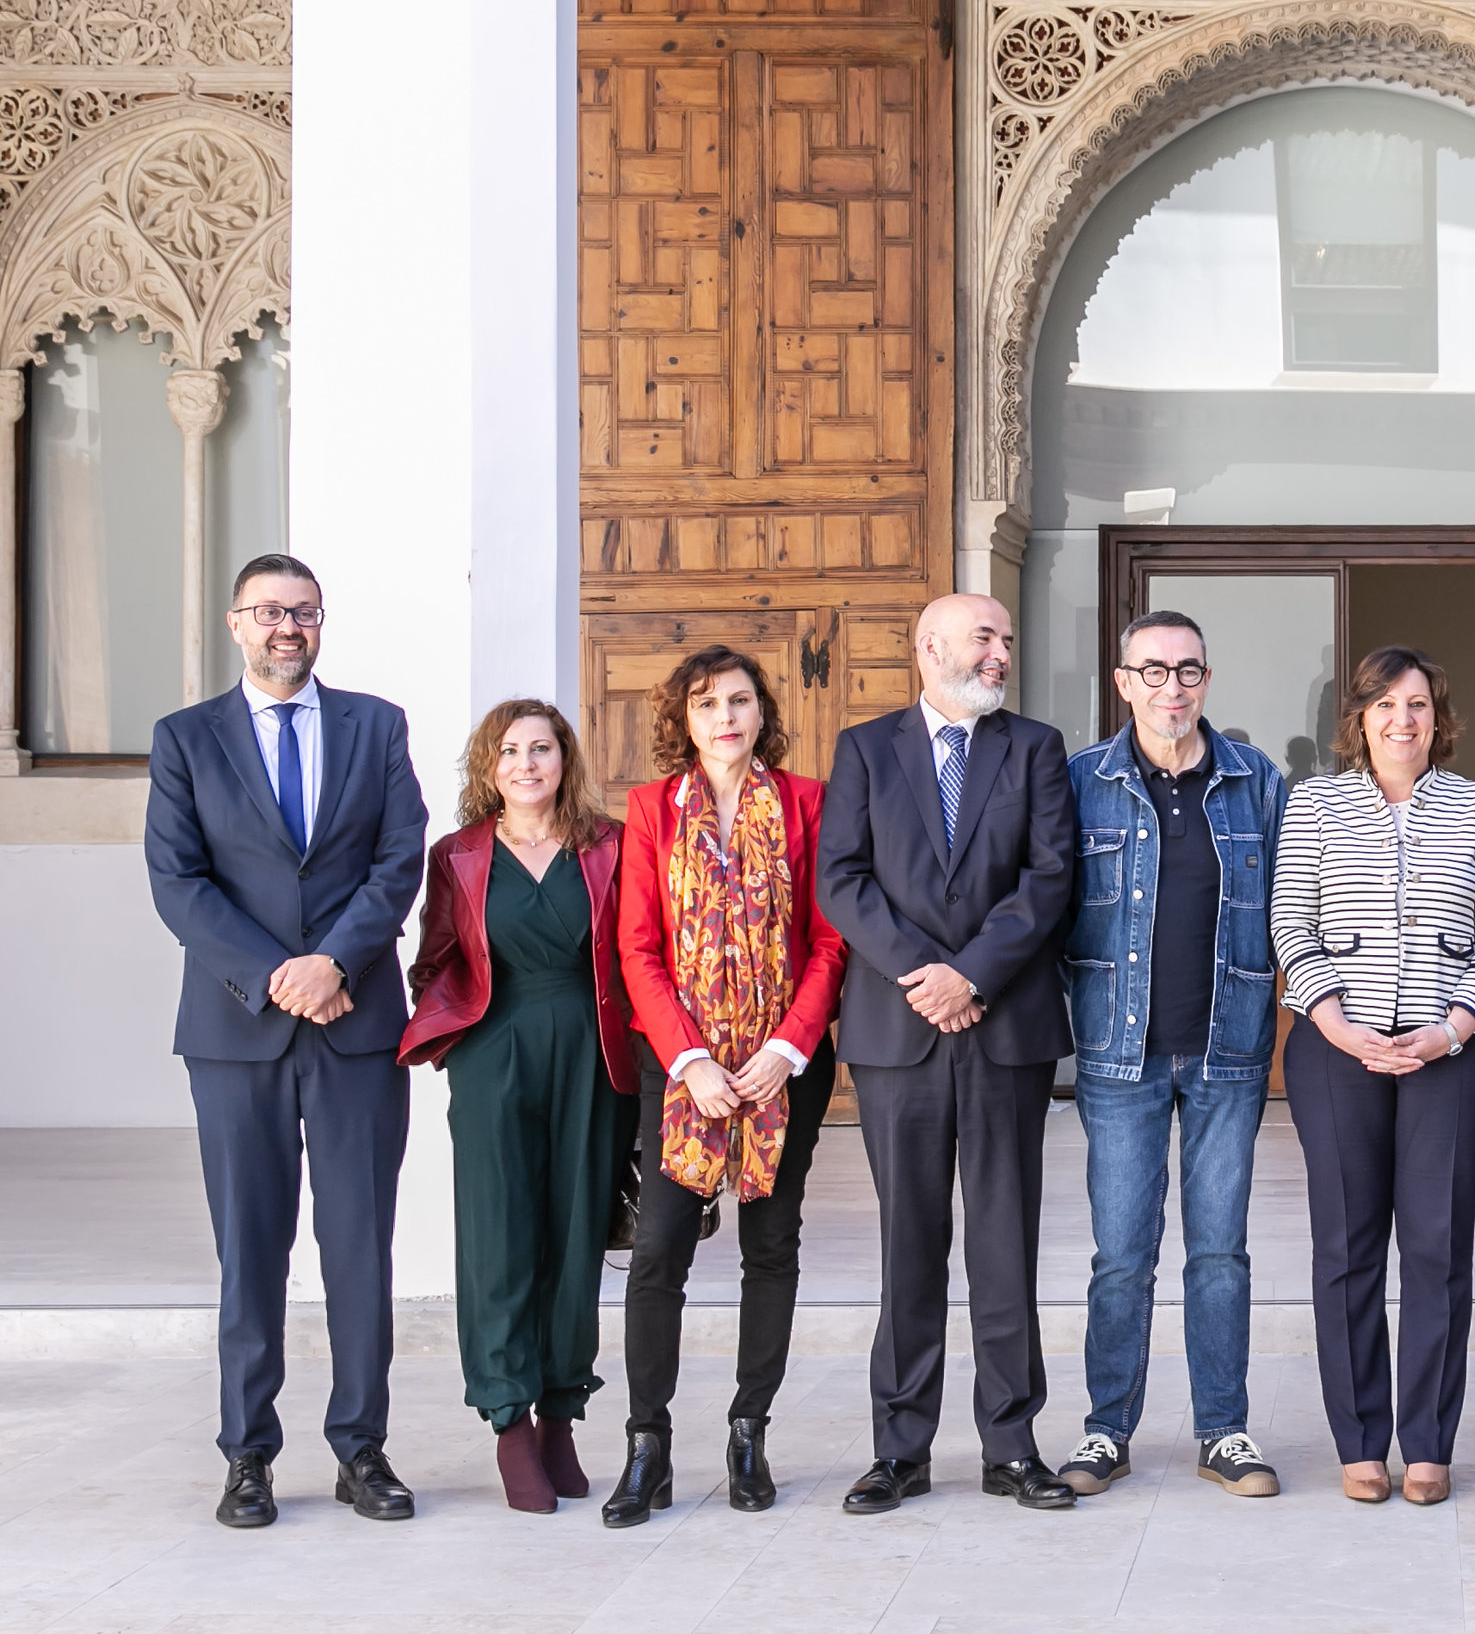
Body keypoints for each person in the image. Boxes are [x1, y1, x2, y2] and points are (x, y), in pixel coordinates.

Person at [145, 553, 428, 1530]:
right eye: (268, 611)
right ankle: (247, 1455)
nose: (286, 627)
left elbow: (399, 859)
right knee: (249, 1250)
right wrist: (280, 974)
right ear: (236, 623)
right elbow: (178, 881)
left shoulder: (376, 726)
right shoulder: (185, 738)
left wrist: (335, 963)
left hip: (356, 1027)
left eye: (302, 611)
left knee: (359, 1247)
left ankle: (362, 1448)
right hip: (236, 1033)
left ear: (320, 623)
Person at [820, 594, 1081, 1515]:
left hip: (1005, 1030)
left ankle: (1012, 1447)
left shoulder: (1035, 748)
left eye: (1007, 637)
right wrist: (925, 976)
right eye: (985, 637)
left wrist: (971, 976)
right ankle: (900, 1450)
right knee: (909, 1243)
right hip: (898, 1034)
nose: (1001, 651)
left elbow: (1050, 877)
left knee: (1005, 1243)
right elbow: (841, 879)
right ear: (930, 647)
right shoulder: (864, 749)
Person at [1273, 645, 1475, 1507]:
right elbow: (1290, 923)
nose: (1402, 720)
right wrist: (1338, 1026)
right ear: (1359, 719)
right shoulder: (1313, 803)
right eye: (1384, 705)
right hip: (1334, 1052)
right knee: (1345, 1249)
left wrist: (1452, 1029)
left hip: (1449, 1055)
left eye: (1417, 704)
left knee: (1437, 1247)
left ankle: (1427, 1443)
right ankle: (1359, 1441)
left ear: (1438, 718)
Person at [609, 646, 848, 1527]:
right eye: (707, 704)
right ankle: (648, 1445)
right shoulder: (649, 811)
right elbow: (637, 948)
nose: (725, 718)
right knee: (659, 1251)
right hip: (683, 1071)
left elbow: (830, 940)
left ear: (762, 712)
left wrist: (787, 1047)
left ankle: (750, 1433)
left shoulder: (807, 802)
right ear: (683, 719)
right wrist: (690, 1059)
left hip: (782, 1067)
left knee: (771, 1246)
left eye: (740, 701)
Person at [1056, 610, 1289, 1501]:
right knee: (1121, 1253)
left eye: (1187, 669)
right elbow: (1049, 913)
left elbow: (1289, 908)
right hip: (1120, 1058)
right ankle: (1106, 1430)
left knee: (1220, 1252)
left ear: (1207, 679)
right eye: (1152, 670)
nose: (1171, 687)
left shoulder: (1257, 781)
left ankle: (1222, 1431)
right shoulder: (1081, 782)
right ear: (1123, 682)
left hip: (1229, 1051)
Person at [401, 700, 636, 1513]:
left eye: (541, 749)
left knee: (575, 1237)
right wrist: (459, 1044)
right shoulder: (458, 854)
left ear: (565, 760)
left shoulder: (609, 845)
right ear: (489, 766)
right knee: (497, 1239)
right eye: (509, 751)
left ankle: (560, 1414)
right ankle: (508, 1421)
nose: (526, 764)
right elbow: (433, 960)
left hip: (593, 1057)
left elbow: (636, 950)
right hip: (494, 1058)